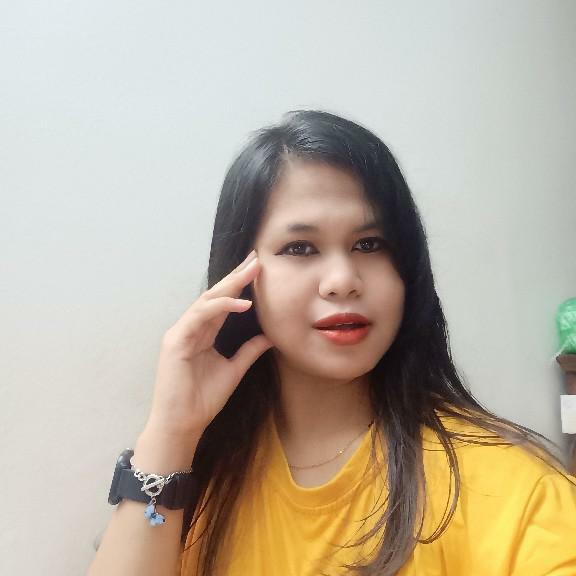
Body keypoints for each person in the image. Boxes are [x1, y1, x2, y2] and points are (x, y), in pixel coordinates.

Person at [88, 110, 576, 576]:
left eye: (369, 244)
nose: (342, 280)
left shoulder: (519, 494)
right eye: (300, 248)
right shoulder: (190, 479)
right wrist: (171, 431)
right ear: (242, 275)